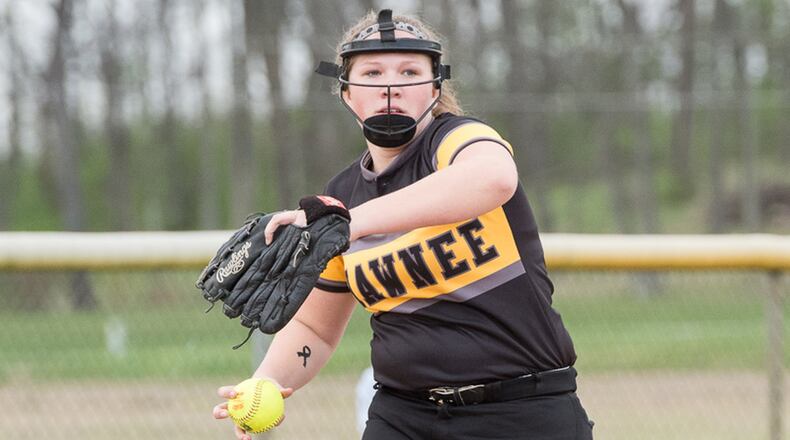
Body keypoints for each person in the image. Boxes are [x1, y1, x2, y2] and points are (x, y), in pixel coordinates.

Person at [213, 9, 594, 440]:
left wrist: (347, 223)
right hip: (404, 415)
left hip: (522, 409)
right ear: (346, 93)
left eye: (410, 71)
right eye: (372, 73)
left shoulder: (454, 141)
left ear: (434, 87)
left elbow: (495, 177)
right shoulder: (342, 196)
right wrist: (267, 380)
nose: (390, 87)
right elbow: (315, 329)